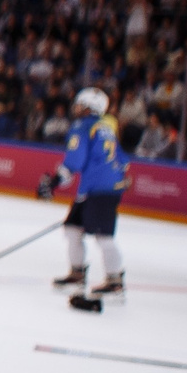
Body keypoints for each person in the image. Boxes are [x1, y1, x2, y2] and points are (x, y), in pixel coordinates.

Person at [38, 87, 129, 311]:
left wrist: (54, 181)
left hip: (98, 189)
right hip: (98, 188)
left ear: (89, 107)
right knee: (72, 229)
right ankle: (77, 274)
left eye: (80, 104)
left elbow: (75, 161)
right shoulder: (106, 127)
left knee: (103, 236)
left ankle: (115, 282)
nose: (76, 108)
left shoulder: (82, 126)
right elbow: (123, 161)